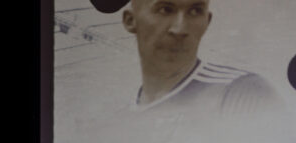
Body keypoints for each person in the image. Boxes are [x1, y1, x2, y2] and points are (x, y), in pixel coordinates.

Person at [92, 0, 279, 118]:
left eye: (195, 11)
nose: (180, 29)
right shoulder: (115, 120)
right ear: (130, 21)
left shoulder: (240, 92)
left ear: (207, 21)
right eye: (165, 10)